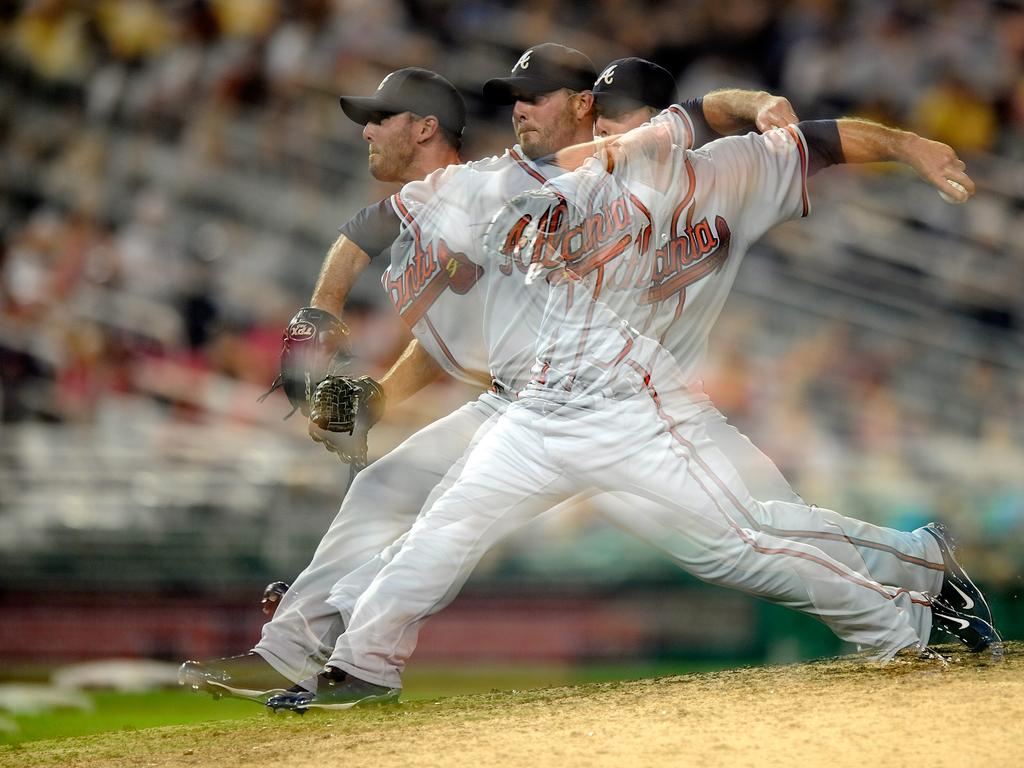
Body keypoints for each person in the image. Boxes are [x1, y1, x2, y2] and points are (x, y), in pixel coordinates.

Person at [260, 58, 1001, 711]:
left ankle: (911, 611)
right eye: (595, 111)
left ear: (654, 120)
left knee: (744, 541)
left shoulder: (717, 167)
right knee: (447, 522)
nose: (602, 126)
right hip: (540, 403)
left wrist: (904, 145)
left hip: (641, 404)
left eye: (616, 114)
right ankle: (360, 663)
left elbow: (807, 138)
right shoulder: (556, 177)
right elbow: (390, 228)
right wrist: (331, 320)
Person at [179, 47, 800, 701]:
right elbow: (370, 236)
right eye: (515, 100)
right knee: (394, 492)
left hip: (617, 407)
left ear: (584, 104)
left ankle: (339, 625)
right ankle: (304, 644)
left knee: (754, 538)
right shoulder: (497, 185)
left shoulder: (616, 165)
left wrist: (758, 105)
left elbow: (698, 113)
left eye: (534, 97)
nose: (520, 110)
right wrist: (342, 339)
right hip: (529, 404)